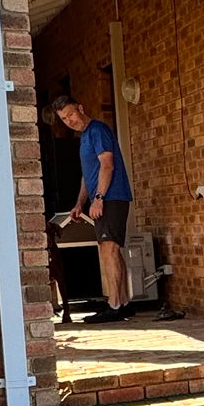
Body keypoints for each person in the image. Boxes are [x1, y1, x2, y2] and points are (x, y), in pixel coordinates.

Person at [56, 98, 133, 319]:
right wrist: (81, 203)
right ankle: (124, 302)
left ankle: (114, 305)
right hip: (103, 197)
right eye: (63, 118)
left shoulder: (97, 130)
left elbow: (107, 164)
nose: (68, 121)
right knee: (112, 249)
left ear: (80, 108)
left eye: (70, 114)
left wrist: (99, 198)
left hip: (112, 197)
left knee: (108, 248)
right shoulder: (84, 138)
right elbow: (88, 174)